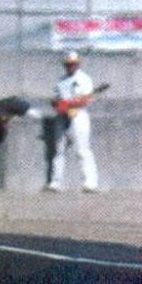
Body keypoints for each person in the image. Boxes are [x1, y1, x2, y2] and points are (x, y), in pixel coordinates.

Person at [45, 51, 100, 192]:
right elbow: (56, 99)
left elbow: (85, 100)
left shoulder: (84, 79)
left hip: (78, 116)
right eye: (68, 64)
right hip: (62, 116)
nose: (70, 66)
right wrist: (58, 104)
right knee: (59, 150)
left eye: (73, 64)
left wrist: (69, 104)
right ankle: (55, 182)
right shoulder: (61, 80)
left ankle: (90, 183)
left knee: (82, 149)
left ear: (77, 64)